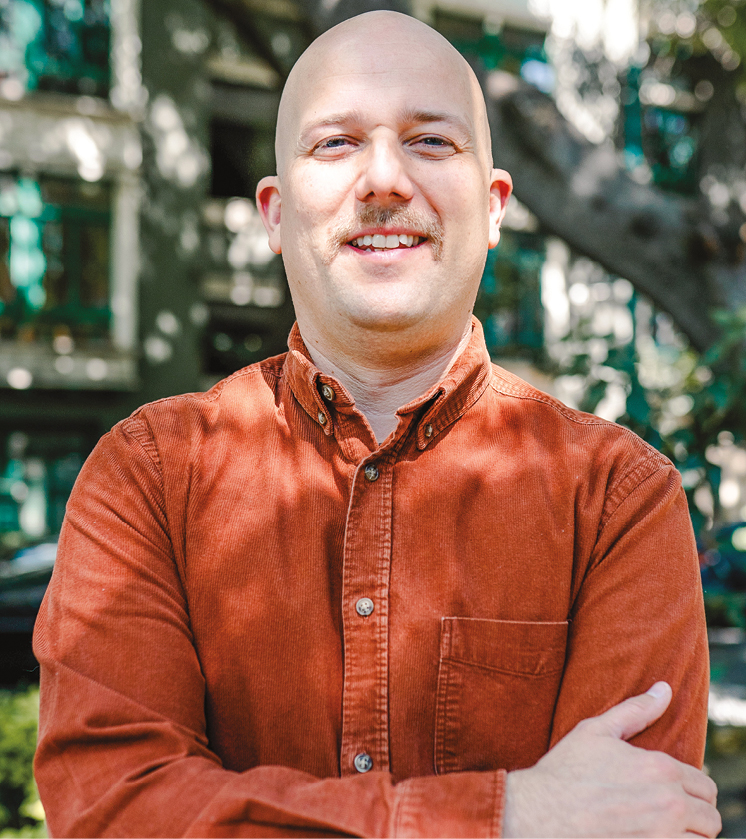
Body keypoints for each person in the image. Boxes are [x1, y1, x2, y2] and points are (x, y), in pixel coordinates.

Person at [33, 10, 720, 838]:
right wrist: (509, 814)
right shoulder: (147, 476)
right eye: (335, 144)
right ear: (276, 214)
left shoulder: (619, 500)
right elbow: (114, 812)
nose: (385, 178)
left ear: (496, 207)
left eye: (432, 142)